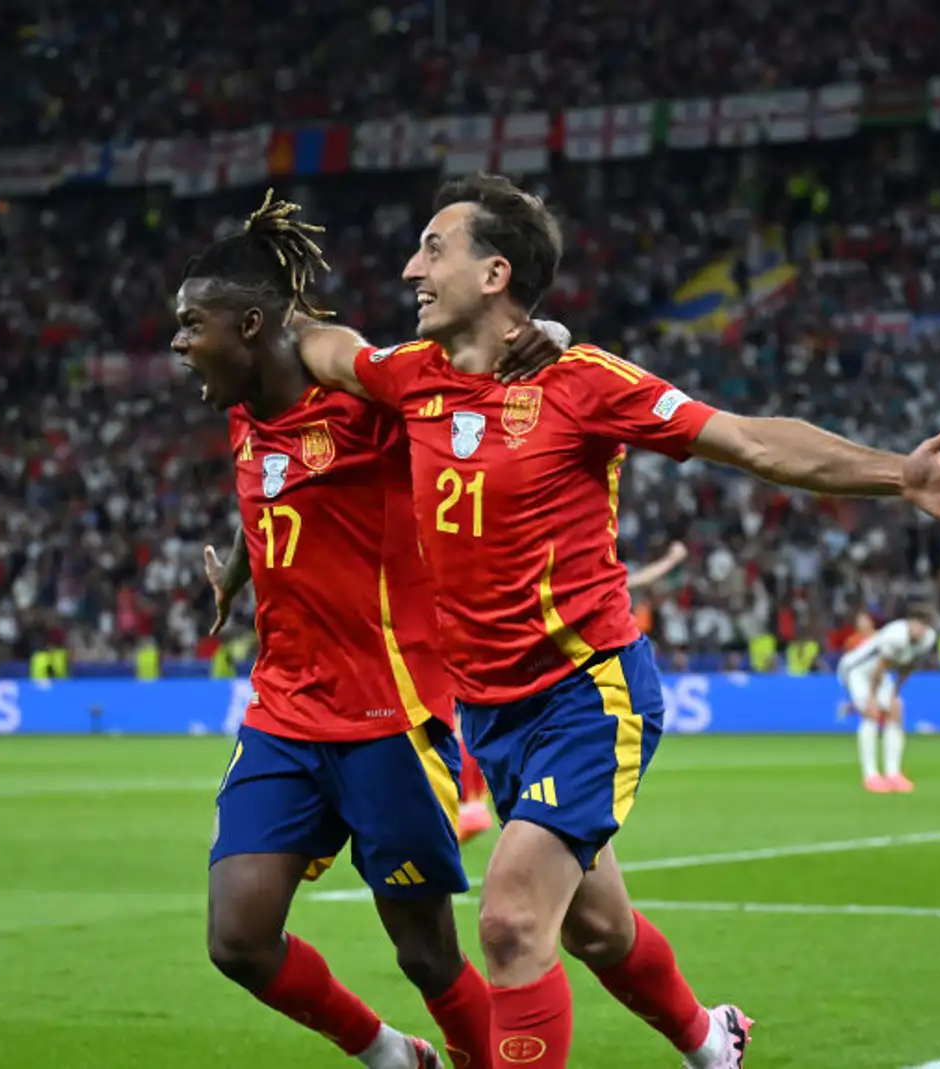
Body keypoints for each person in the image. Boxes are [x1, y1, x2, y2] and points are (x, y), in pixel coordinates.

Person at [293, 173, 940, 1067]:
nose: (410, 267)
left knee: (514, 918)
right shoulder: (411, 379)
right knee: (599, 931)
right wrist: (263, 300)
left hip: (586, 694)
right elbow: (324, 350)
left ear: (495, 274)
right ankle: (711, 1039)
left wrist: (895, 476)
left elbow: (750, 439)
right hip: (490, 712)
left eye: (433, 249)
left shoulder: (583, 383)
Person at [181, 191, 567, 1069]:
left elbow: (471, 371)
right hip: (283, 714)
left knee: (425, 951)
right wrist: (240, 568)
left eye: (189, 325)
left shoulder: (368, 405)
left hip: (388, 717)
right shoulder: (246, 412)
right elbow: (270, 489)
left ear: (249, 325)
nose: (176, 345)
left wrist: (550, 341)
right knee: (237, 938)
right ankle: (391, 1054)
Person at [835, 609, 940, 792]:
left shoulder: (928, 639)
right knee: (871, 714)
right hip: (856, 670)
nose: (920, 630)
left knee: (896, 711)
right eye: (916, 625)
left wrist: (895, 694)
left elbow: (908, 667)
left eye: (924, 626)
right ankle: (871, 776)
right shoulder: (895, 636)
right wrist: (872, 698)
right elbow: (880, 666)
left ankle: (893, 774)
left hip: (879, 674)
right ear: (909, 624)